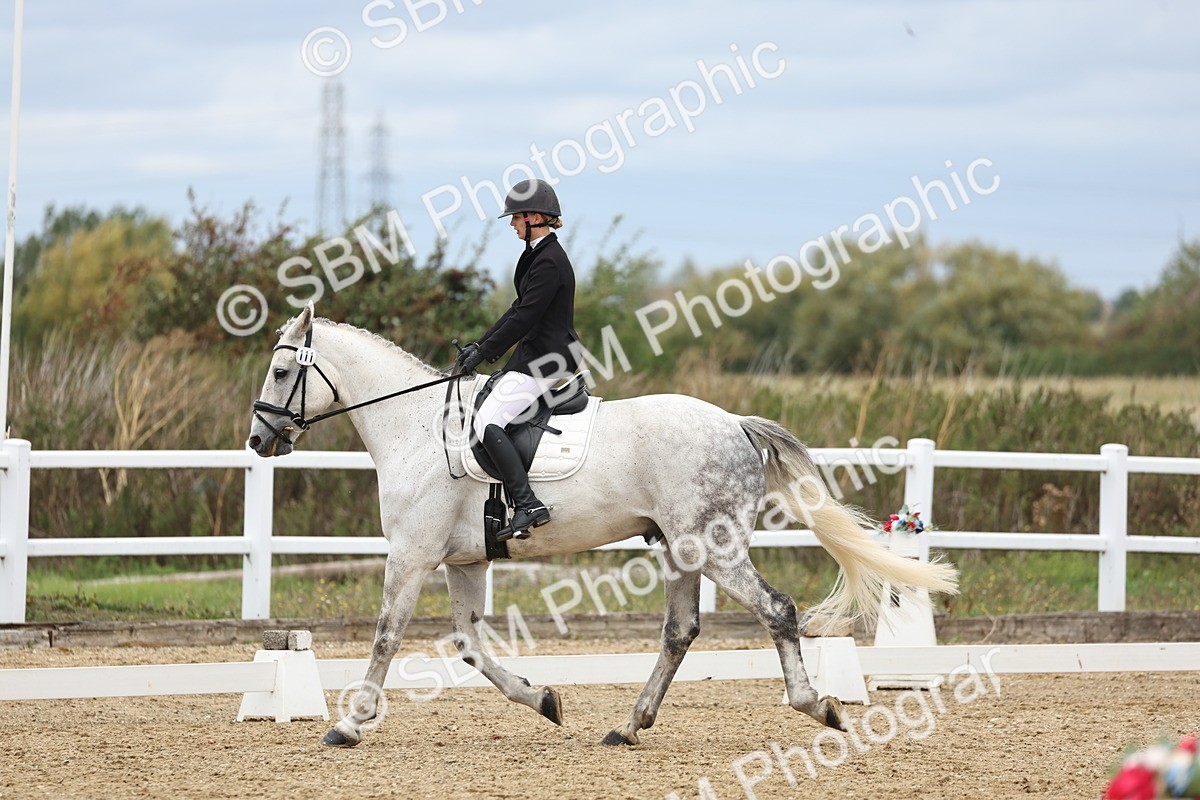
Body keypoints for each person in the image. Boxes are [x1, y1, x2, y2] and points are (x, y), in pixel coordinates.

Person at [455, 179, 581, 541]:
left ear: (535, 217)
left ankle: (528, 504)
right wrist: (479, 346)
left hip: (549, 356)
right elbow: (517, 310)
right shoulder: (537, 253)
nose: (511, 224)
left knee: (488, 421)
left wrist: (486, 352)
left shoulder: (550, 261)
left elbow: (525, 316)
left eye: (515, 218)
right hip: (536, 352)